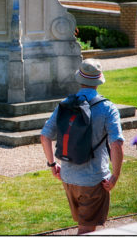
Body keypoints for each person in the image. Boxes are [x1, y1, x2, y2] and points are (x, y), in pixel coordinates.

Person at [40, 59, 124, 235]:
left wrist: (52, 165)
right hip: (94, 180)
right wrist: (115, 176)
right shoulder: (107, 108)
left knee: (83, 225)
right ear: (99, 80)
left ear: (79, 78)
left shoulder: (66, 103)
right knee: (86, 231)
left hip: (68, 177)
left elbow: (44, 135)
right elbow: (116, 144)